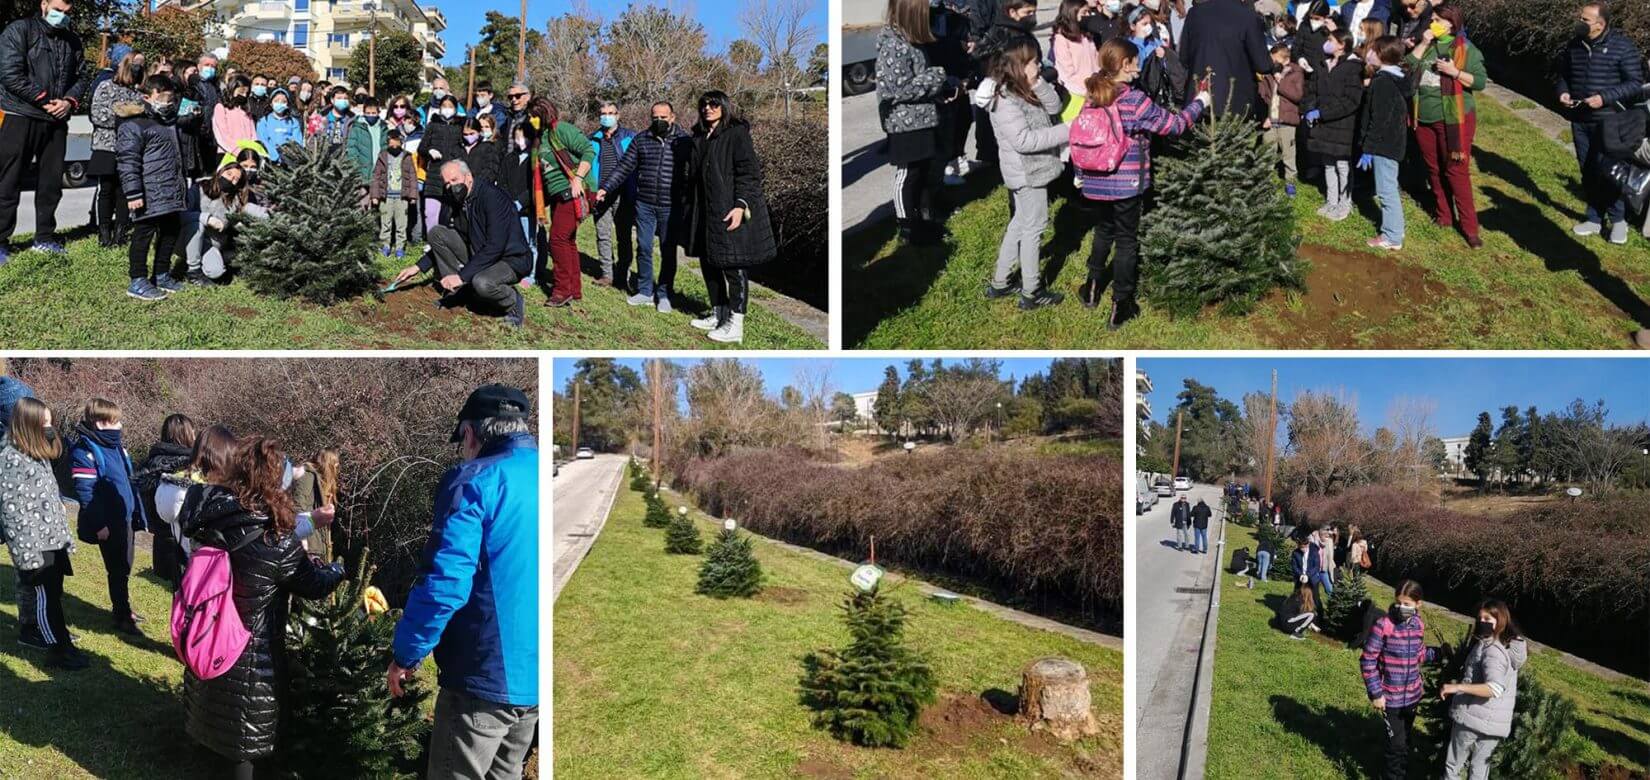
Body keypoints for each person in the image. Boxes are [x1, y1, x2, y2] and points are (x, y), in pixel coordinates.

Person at [387, 384, 538, 778]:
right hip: (534, 679)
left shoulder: (474, 480)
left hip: (482, 679)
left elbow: (445, 583)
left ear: (471, 434)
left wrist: (406, 654)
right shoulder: (543, 474)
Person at [181, 437, 345, 780]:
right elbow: (313, 586)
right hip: (252, 651)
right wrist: (338, 568)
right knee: (245, 729)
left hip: (210, 635)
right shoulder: (276, 539)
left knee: (216, 706)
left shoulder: (211, 516)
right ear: (277, 483)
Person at [1075, 38, 1208, 329]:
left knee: (1103, 232)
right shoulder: (1134, 100)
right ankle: (1121, 304)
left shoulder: (1095, 93)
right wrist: (1199, 103)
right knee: (1126, 241)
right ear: (1125, 64)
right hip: (1126, 182)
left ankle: (1092, 288)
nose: (1139, 66)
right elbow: (1173, 126)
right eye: (1135, 61)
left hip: (1095, 180)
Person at [682, 91, 776, 344]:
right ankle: (718, 312)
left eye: (714, 104)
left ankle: (736, 323)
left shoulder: (736, 134)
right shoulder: (700, 136)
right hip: (703, 210)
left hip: (727, 209)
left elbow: (749, 174)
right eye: (704, 104)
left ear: (724, 107)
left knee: (733, 265)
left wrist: (739, 205)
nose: (708, 108)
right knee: (708, 262)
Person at [0, 397, 86, 670]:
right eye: (44, 422)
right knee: (45, 595)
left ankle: (62, 642)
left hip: (52, 538)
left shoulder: (37, 453)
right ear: (28, 424)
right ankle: (57, 650)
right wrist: (27, 554)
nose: (50, 427)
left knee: (54, 592)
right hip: (34, 543)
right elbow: (11, 511)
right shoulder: (10, 459)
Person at [391, 161, 531, 327]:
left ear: (469, 177)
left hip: (509, 259)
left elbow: (495, 246)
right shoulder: (459, 201)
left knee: (482, 282)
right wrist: (418, 267)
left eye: (455, 180)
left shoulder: (493, 197)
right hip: (480, 252)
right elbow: (460, 237)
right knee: (437, 233)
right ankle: (460, 292)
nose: (452, 186)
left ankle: (513, 302)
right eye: (447, 183)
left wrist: (461, 276)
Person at [984, 37, 1069, 310]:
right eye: (1033, 61)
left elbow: (1055, 107)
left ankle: (1001, 282)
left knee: (1020, 223)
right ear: (1018, 65)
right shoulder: (1005, 100)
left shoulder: (1023, 87)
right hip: (1027, 174)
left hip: (1032, 170)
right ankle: (1032, 291)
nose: (1038, 64)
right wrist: (1069, 131)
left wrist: (1037, 82)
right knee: (1034, 228)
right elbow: (1024, 141)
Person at [0, 0, 86, 262]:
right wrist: (43, 98)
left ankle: (45, 237)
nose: (62, 15)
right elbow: (9, 73)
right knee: (8, 181)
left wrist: (69, 102)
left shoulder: (72, 40)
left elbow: (82, 76)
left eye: (68, 12)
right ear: (44, 4)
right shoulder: (20, 30)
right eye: (58, 9)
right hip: (19, 114)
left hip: (56, 120)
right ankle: (1, 240)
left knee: (51, 183)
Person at [1559, 1, 1644, 246]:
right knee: (1588, 170)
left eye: (1585, 19)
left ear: (1600, 24)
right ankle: (1594, 219)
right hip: (1580, 120)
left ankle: (1618, 221)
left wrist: (1604, 98)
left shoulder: (1622, 47)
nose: (1580, 22)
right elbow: (1563, 75)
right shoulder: (1574, 45)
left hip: (1611, 122)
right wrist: (1563, 93)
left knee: (1610, 171)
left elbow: (1634, 84)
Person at [597, 101, 693, 313]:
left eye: (663, 118)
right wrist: (606, 187)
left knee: (668, 251)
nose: (659, 121)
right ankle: (645, 290)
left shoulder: (684, 142)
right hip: (645, 204)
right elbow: (625, 166)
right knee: (644, 247)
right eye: (655, 118)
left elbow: (693, 172)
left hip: (671, 205)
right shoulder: (642, 139)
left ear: (673, 118)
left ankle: (664, 293)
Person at [877, 0, 960, 245]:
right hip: (904, 124)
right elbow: (897, 89)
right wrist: (937, 77)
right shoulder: (893, 45)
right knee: (908, 173)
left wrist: (943, 86)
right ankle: (907, 226)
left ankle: (923, 221)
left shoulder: (912, 42)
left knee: (923, 171)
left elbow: (919, 80)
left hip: (923, 118)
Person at [1406, 4, 1486, 248]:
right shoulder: (1426, 44)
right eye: (1432, 18)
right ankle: (1444, 215)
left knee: (1456, 171)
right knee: (1434, 169)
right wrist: (1421, 44)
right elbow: (1407, 67)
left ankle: (1470, 228)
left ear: (1451, 23)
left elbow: (1480, 82)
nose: (1432, 22)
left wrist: (1455, 72)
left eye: (1437, 19)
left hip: (1453, 119)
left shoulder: (1465, 49)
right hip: (1424, 118)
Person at [69, 397, 148, 636]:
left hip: (125, 518)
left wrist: (136, 512)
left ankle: (124, 608)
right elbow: (86, 492)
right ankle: (122, 616)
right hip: (109, 523)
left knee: (125, 567)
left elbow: (127, 481)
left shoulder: (117, 448)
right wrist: (99, 524)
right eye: (115, 422)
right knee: (117, 569)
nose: (119, 426)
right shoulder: (85, 451)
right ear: (100, 423)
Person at [118, 75, 190, 301]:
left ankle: (161, 273)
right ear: (147, 96)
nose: (167, 101)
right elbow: (128, 160)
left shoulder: (169, 122)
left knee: (170, 231)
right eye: (163, 96)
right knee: (143, 234)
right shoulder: (134, 124)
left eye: (170, 97)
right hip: (147, 192)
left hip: (170, 190)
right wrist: (133, 192)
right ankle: (138, 279)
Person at [1443, 600, 1528, 780]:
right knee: (1479, 771)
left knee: (1453, 766)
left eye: (1487, 618)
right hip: (1496, 724)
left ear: (1501, 621)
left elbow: (1494, 688)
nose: (1482, 621)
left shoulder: (1493, 649)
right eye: (1479, 617)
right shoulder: (1511, 648)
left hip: (1471, 718)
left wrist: (1457, 687)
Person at [1361, 579, 1436, 780]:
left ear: (1418, 604)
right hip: (1390, 697)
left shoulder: (1418, 625)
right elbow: (1368, 660)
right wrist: (1376, 693)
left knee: (1404, 740)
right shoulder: (1383, 626)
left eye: (1407, 604)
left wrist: (1437, 654)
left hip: (1412, 695)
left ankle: (1401, 770)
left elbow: (1419, 654)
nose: (1401, 608)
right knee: (1396, 744)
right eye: (1398, 603)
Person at [533, 100, 595, 308]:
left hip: (573, 191)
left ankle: (561, 290)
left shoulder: (561, 130)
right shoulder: (539, 138)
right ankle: (574, 289)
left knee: (557, 240)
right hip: (557, 195)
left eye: (534, 115)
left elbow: (588, 151)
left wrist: (578, 178)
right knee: (568, 241)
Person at [131, 413, 196, 588]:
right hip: (184, 537)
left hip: (160, 534)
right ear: (188, 434)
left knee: (175, 590)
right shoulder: (189, 464)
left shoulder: (150, 462)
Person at [1359, 35, 1412, 250]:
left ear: (1382, 55)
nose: (1368, 54)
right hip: (1393, 142)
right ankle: (1396, 226)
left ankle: (1391, 237)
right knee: (1389, 185)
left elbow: (1379, 119)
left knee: (1386, 190)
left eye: (1372, 51)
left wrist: (1368, 148)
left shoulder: (1382, 83)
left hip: (1384, 145)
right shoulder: (1398, 77)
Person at [1304, 28, 1362, 223]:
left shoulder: (1353, 68)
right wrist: (1309, 109)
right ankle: (1331, 200)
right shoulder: (1322, 65)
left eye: (1330, 40)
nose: (1326, 43)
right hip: (1322, 124)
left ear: (1341, 44)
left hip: (1342, 124)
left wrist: (1324, 113)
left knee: (1342, 165)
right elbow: (1311, 91)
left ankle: (1345, 203)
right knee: (1328, 163)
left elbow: (1351, 100)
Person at [1178, 0, 1274, 117]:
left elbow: (1183, 57)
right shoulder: (1248, 16)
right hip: (1235, 105)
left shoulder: (1194, 13)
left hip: (1199, 100)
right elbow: (1263, 65)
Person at [90, 49, 145, 247]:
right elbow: (97, 114)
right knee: (106, 189)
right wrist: (124, 118)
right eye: (136, 63)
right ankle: (104, 232)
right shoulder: (106, 86)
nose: (139, 68)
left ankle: (120, 233)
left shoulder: (138, 93)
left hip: (129, 149)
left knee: (124, 190)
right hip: (106, 145)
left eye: (142, 64)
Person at [590, 101, 637, 291]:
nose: (606, 116)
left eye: (610, 113)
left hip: (623, 194)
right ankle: (606, 274)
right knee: (602, 234)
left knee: (623, 236)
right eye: (603, 113)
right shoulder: (592, 139)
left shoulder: (630, 138)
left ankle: (622, 276)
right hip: (600, 194)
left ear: (618, 115)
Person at [196, 161, 268, 282]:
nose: (230, 179)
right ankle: (193, 269)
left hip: (212, 244)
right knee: (196, 225)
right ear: (221, 171)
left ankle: (217, 259)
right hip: (191, 235)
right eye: (229, 174)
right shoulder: (199, 187)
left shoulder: (234, 201)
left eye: (235, 179)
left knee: (216, 271)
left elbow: (245, 211)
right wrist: (207, 219)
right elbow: (184, 214)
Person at [1259, 42, 1306, 196]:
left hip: (1287, 123)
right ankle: (1265, 182)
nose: (1273, 63)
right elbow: (1264, 96)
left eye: (1275, 60)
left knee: (1288, 154)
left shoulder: (1296, 73)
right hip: (1270, 120)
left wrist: (1281, 81)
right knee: (1267, 152)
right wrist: (1265, 116)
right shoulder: (1269, 73)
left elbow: (1297, 96)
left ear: (1285, 59)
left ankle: (1290, 181)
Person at [501, 120, 543, 288]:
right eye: (517, 138)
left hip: (526, 209)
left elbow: (534, 186)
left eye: (524, 137)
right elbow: (502, 180)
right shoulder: (509, 158)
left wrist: (520, 202)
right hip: (508, 207)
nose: (520, 141)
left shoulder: (535, 160)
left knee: (529, 242)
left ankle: (530, 274)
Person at [420, 93, 466, 230]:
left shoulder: (460, 126)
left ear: (456, 109)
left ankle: (445, 244)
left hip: (452, 176)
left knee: (448, 214)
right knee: (430, 213)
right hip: (434, 174)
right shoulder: (432, 125)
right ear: (439, 108)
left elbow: (465, 147)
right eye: (444, 106)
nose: (447, 109)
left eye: (450, 106)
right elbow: (422, 147)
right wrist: (429, 151)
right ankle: (431, 242)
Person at [286, 448, 338, 560]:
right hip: (309, 544)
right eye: (335, 464)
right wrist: (303, 538)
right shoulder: (307, 475)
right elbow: (298, 506)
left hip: (316, 543)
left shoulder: (317, 478)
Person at [373, 130, 418, 258]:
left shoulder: (407, 157)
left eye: (396, 140)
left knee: (401, 224)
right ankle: (385, 245)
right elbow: (376, 176)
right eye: (391, 140)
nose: (394, 143)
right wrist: (375, 195)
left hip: (401, 196)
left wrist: (413, 196)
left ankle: (400, 247)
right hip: (385, 196)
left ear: (401, 141)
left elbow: (412, 177)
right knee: (385, 223)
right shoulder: (382, 156)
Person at [1054, 0, 1102, 97]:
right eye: (1084, 12)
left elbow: (1096, 61)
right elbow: (1066, 73)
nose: (1088, 15)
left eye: (1089, 12)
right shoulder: (1062, 39)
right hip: (1077, 93)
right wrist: (1084, 91)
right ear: (1072, 13)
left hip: (1096, 88)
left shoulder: (1086, 35)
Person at [189, 51, 221, 172]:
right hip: (197, 134)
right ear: (198, 66)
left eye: (213, 66)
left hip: (212, 135)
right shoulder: (193, 84)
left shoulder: (215, 86)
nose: (210, 68)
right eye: (207, 65)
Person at [346, 94, 388, 183]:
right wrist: (355, 168)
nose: (371, 116)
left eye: (373, 113)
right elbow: (352, 149)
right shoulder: (357, 127)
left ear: (378, 112)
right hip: (362, 173)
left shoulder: (384, 128)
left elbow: (385, 147)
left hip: (379, 173)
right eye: (368, 113)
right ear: (363, 112)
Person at [254, 87, 303, 162]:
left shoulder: (293, 121)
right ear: (271, 103)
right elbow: (263, 140)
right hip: (269, 159)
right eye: (276, 101)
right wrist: (274, 155)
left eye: (283, 101)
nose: (280, 103)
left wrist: (289, 155)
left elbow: (298, 141)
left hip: (289, 160)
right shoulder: (263, 121)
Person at [212, 74, 257, 156]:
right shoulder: (221, 108)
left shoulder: (246, 111)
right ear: (232, 89)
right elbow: (222, 135)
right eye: (241, 92)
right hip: (228, 153)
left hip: (247, 154)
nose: (244, 95)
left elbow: (253, 134)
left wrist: (253, 151)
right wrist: (236, 150)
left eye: (246, 93)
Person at [459, 115, 502, 186]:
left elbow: (491, 170)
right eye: (481, 127)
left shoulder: (492, 147)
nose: (484, 129)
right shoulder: (461, 147)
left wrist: (476, 184)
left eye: (486, 127)